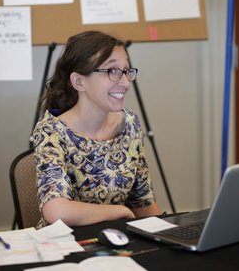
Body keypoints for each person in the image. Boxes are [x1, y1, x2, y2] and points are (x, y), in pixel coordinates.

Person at [33, 30, 162, 228]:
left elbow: (143, 202)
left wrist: (168, 234)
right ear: (79, 81)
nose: (126, 82)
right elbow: (56, 210)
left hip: (115, 240)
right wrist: (120, 211)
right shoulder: (51, 131)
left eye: (126, 71)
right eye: (112, 71)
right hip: (66, 245)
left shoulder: (129, 124)